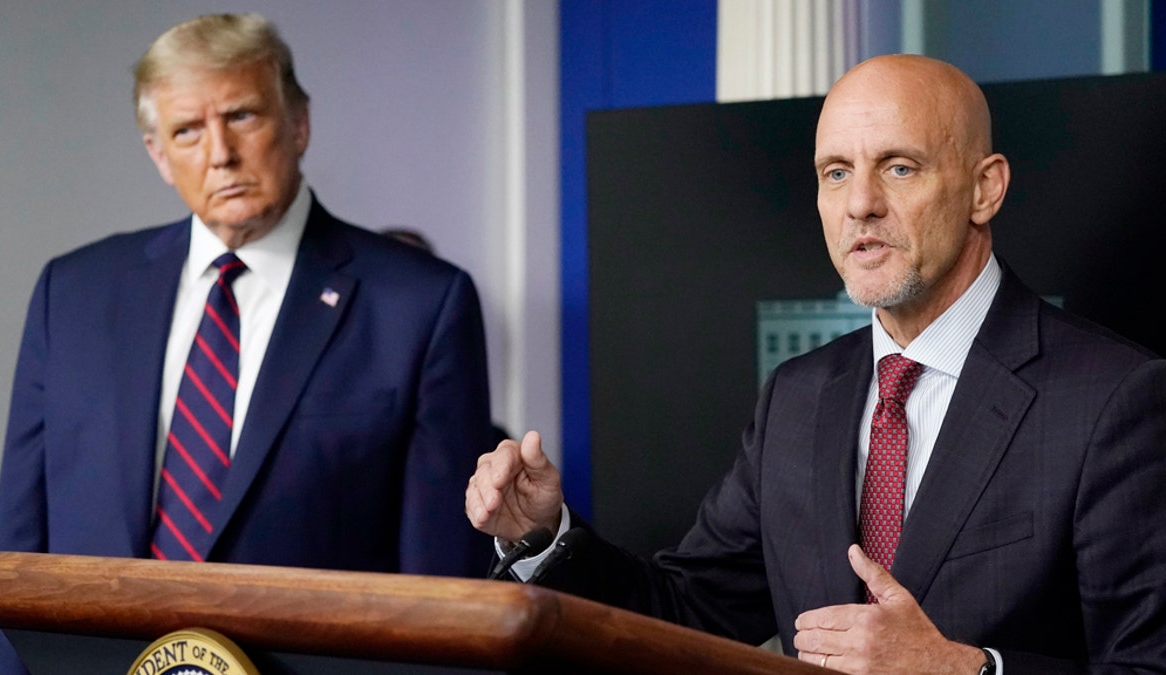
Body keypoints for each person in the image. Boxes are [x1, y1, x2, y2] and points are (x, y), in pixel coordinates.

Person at [466, 54, 1166, 673]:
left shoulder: (1112, 399)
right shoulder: (798, 397)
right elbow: (684, 615)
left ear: (985, 188)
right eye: (837, 173)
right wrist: (541, 533)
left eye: (899, 166)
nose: (860, 204)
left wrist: (962, 671)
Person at [0, 12, 494, 674]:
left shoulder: (419, 304)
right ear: (158, 155)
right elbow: (16, 562)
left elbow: (442, 596)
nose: (219, 153)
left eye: (243, 116)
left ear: (299, 123)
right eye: (187, 131)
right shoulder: (73, 295)